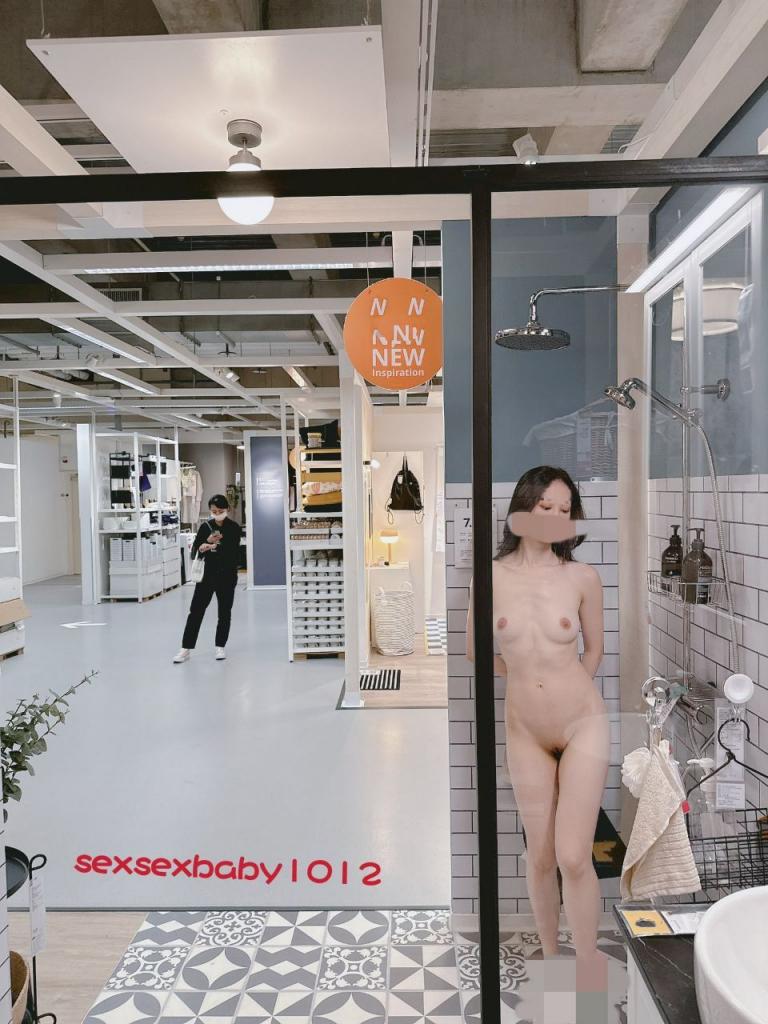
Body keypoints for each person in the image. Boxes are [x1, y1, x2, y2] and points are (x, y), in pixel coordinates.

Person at [466, 466, 609, 988]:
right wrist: (530, 683)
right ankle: (553, 966)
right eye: (545, 506)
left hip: (582, 725)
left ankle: (588, 976)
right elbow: (477, 652)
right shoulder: (491, 576)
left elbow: (594, 650)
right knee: (541, 855)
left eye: (564, 510)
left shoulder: (581, 577)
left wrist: (566, 689)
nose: (554, 517)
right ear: (523, 508)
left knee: (574, 855)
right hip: (525, 730)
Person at [174, 495, 242, 663]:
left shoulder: (234, 528)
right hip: (207, 576)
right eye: (214, 511)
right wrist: (205, 544)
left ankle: (220, 646)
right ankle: (185, 648)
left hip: (227, 576)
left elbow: (234, 552)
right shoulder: (205, 527)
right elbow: (195, 550)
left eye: (220, 511)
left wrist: (215, 545)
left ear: (227, 509)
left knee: (224, 612)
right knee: (196, 611)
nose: (217, 514)